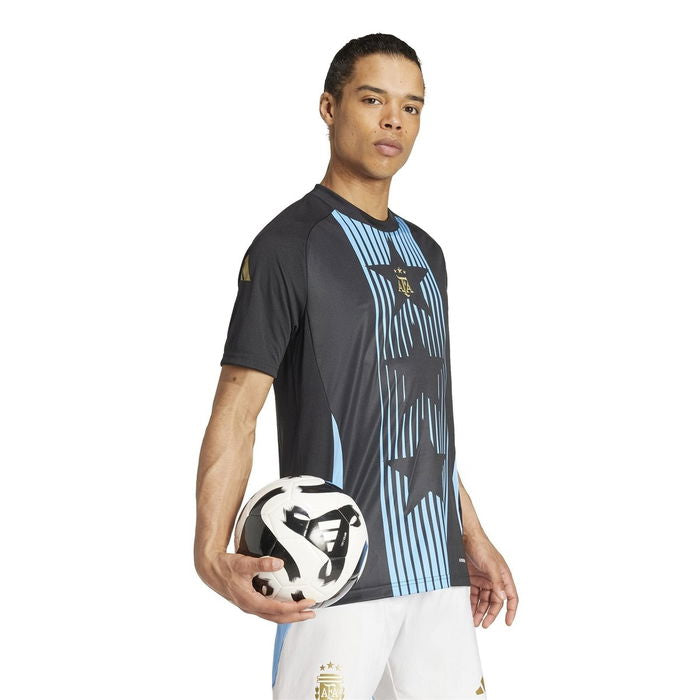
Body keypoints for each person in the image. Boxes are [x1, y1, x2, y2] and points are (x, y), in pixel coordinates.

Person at [194, 33, 518, 700]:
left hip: (438, 579)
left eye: (411, 106)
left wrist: (472, 536)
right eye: (373, 100)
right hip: (332, 576)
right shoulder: (290, 246)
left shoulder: (427, 254)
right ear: (329, 107)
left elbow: (419, 419)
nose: (394, 120)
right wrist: (209, 556)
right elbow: (237, 411)